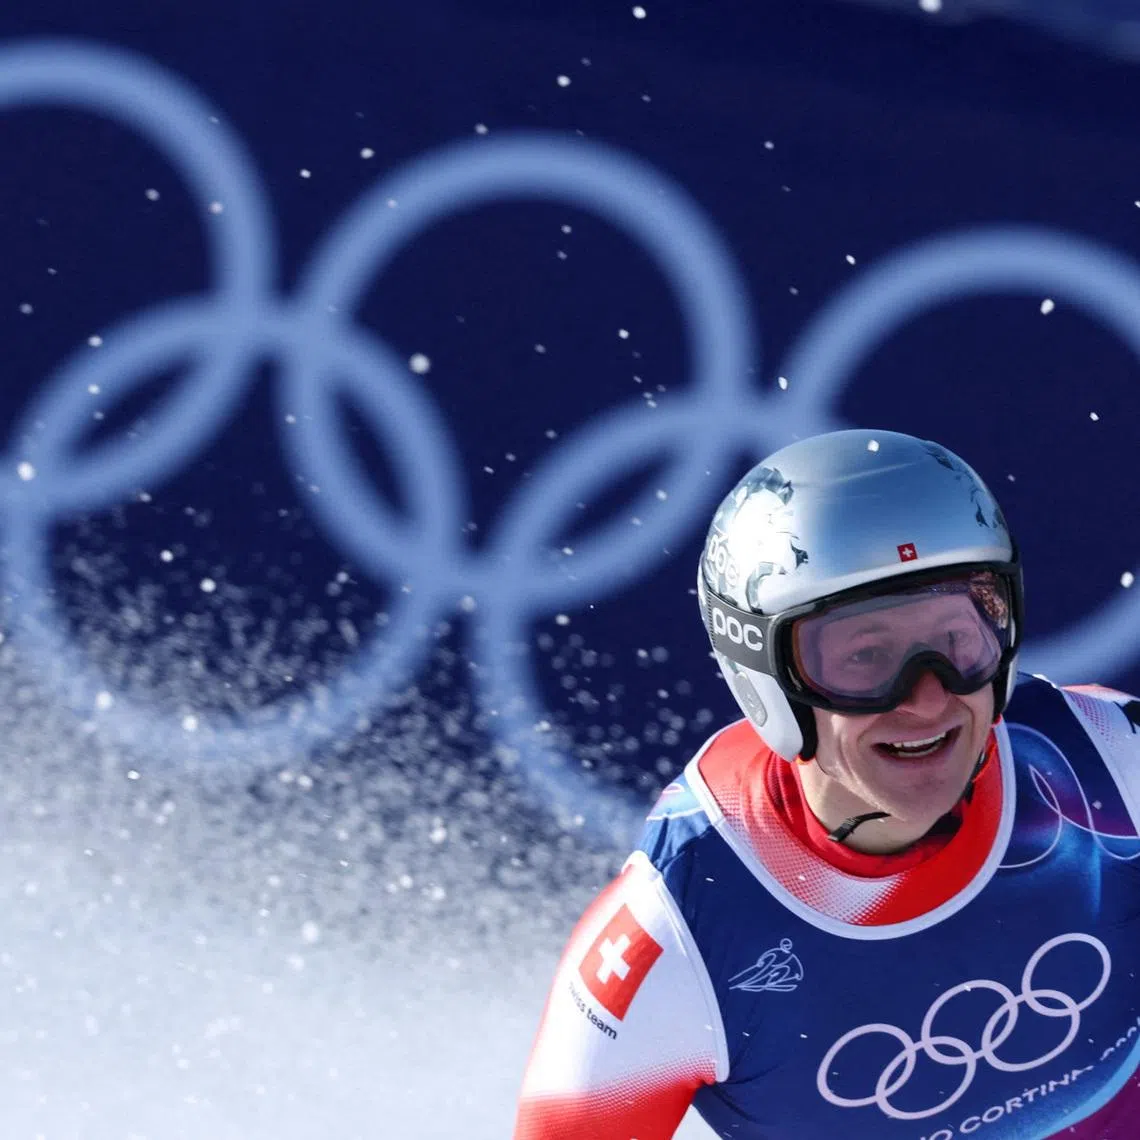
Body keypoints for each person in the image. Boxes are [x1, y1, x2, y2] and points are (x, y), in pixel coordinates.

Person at [512, 428, 1140, 1140]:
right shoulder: (679, 932)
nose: (927, 699)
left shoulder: (1113, 768)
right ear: (767, 682)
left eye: (958, 642)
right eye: (866, 658)